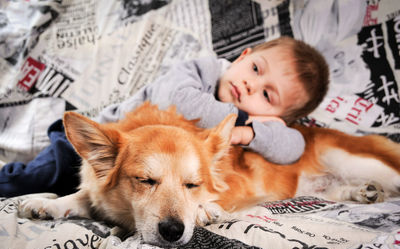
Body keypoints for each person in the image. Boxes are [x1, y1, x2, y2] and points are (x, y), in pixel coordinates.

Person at [0, 36, 329, 197]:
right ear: (244, 55)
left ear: (280, 116)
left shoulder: (247, 125)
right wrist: (243, 120)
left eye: (267, 95)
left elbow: (294, 147)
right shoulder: (200, 72)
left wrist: (253, 134)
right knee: (39, 178)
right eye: (255, 69)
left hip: (143, 175)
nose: (249, 84)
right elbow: (180, 103)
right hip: (103, 147)